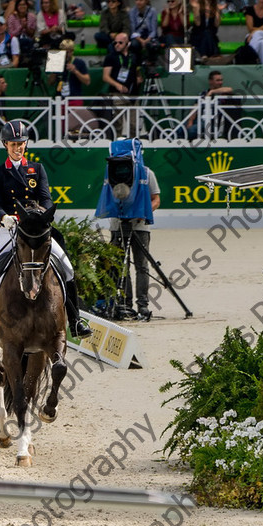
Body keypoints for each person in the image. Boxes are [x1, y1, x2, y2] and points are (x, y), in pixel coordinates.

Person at [0, 119, 91, 343]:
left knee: (68, 268)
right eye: (13, 144)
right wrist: (4, 217)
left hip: (35, 229)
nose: (18, 148)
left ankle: (76, 320)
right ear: (5, 145)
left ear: (26, 144)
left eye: (21, 144)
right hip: (9, 228)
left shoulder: (37, 169)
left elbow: (45, 197)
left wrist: (40, 213)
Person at [105, 154, 161, 321]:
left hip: (140, 226)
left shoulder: (146, 173)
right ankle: (125, 304)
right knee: (121, 266)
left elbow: (156, 199)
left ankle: (143, 305)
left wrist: (143, 211)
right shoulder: (110, 172)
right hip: (117, 226)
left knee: (141, 266)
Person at [102, 32, 141, 137]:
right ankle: (116, 147)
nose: (117, 45)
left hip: (133, 93)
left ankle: (133, 147)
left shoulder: (133, 56)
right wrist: (117, 85)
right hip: (117, 94)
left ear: (127, 44)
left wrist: (138, 77)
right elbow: (105, 76)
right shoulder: (111, 57)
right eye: (115, 43)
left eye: (120, 43)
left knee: (134, 125)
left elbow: (136, 70)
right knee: (117, 124)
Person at [184, 69, 234, 139]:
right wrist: (190, 122)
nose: (220, 82)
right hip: (199, 119)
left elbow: (230, 89)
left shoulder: (223, 93)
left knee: (192, 130)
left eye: (221, 80)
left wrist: (212, 92)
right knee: (180, 129)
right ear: (210, 81)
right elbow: (195, 108)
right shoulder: (203, 94)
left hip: (213, 122)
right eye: (218, 80)